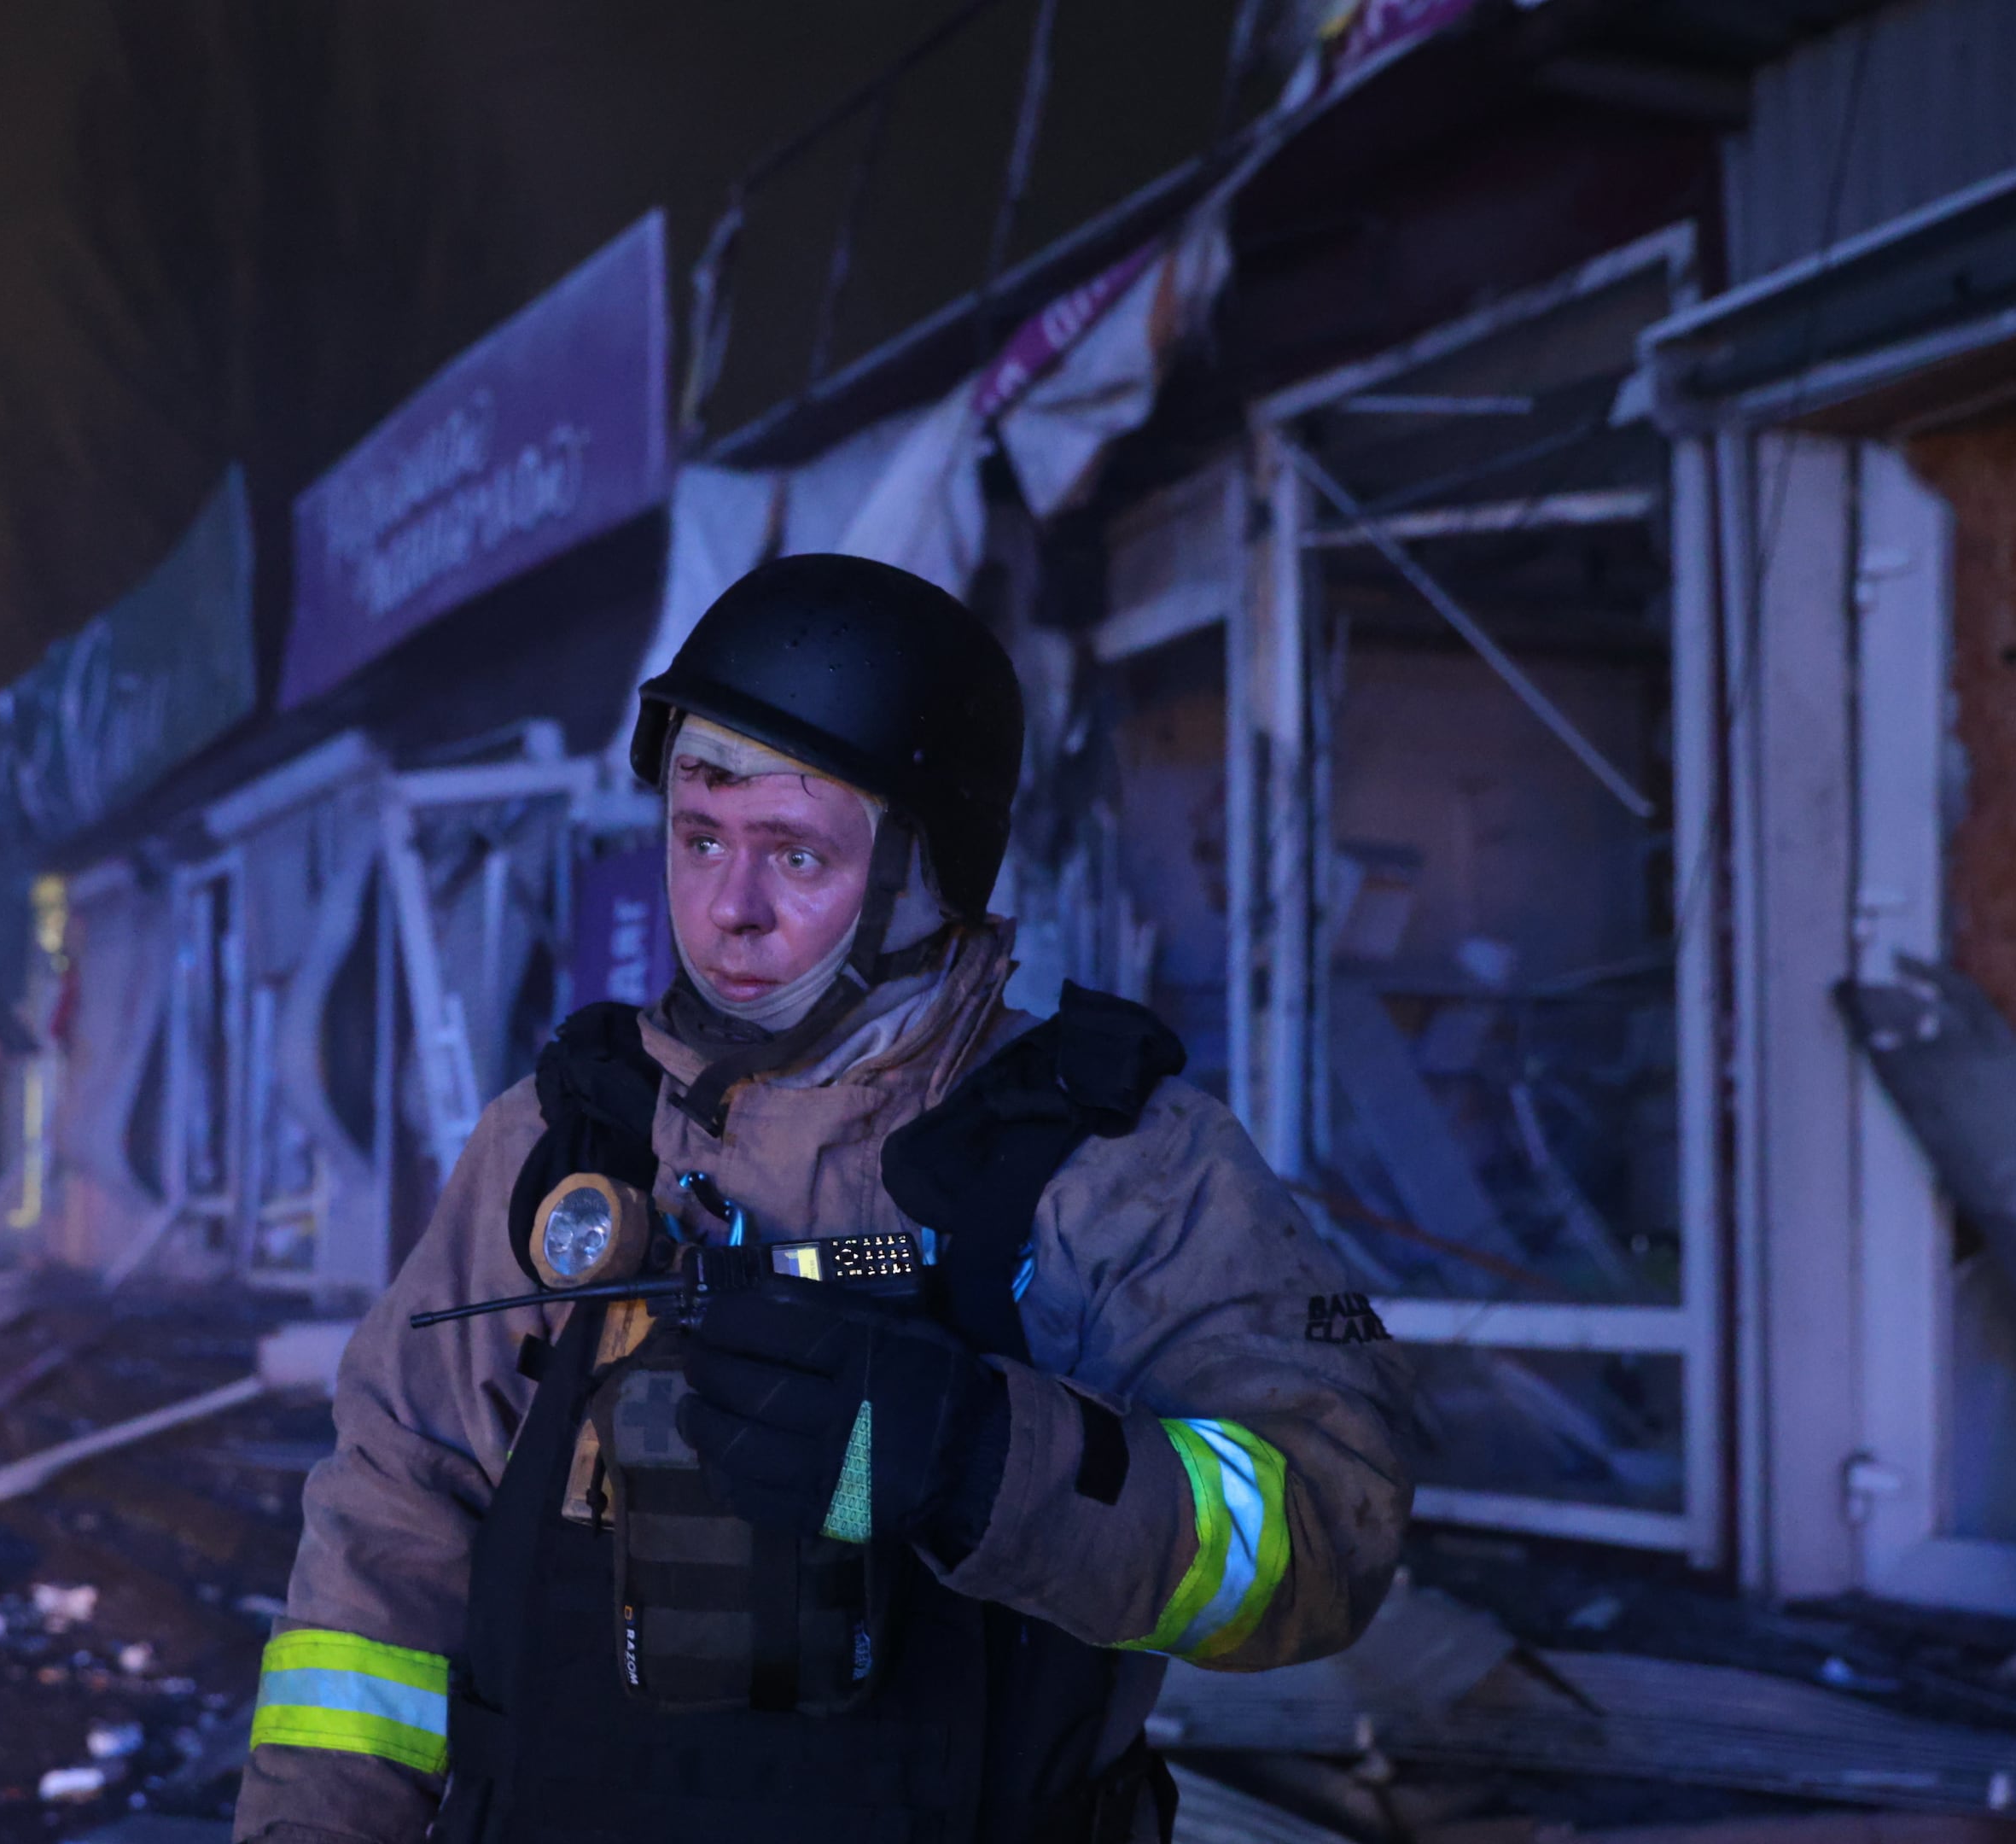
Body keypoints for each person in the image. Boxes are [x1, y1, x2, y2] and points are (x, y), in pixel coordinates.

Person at [236, 555, 1411, 1843]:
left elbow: (1328, 1537)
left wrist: (978, 1459)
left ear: (929, 869)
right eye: (700, 839)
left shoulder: (1118, 1163)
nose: (729, 910)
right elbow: (384, 1541)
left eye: (796, 852)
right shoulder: (560, 1143)